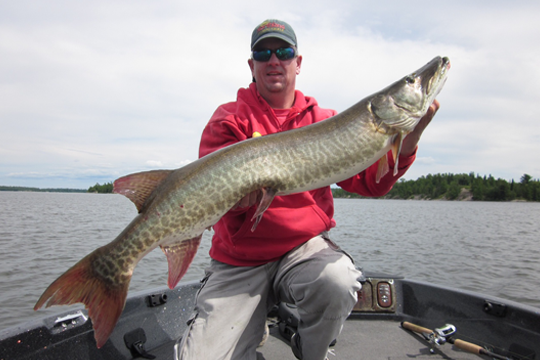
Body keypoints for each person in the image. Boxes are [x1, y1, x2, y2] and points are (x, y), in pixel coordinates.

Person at [175, 19, 439, 360]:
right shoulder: (229, 119)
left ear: (298, 62)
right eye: (263, 53)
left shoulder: (325, 121)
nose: (274, 60)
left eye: (284, 52)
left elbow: (372, 183)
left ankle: (312, 349)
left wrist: (409, 139)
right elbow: (214, 196)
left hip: (302, 250)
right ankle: (251, 325)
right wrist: (242, 200)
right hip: (239, 261)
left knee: (338, 280)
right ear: (251, 65)